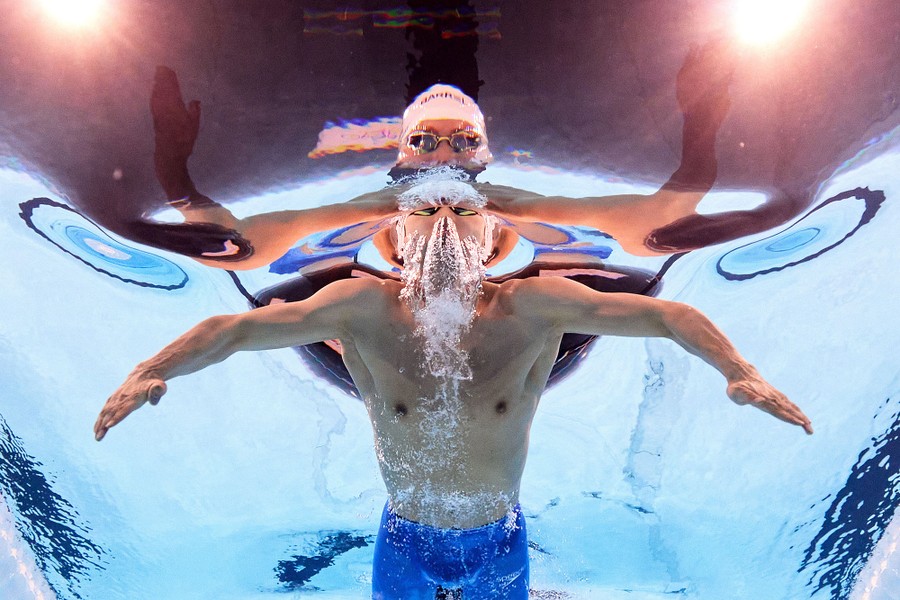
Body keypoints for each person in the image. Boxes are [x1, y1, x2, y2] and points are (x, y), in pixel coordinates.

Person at [95, 172, 813, 598]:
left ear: (488, 233)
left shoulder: (538, 305)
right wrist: (149, 370)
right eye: (427, 210)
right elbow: (237, 329)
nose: (445, 221)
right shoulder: (359, 306)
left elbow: (668, 315)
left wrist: (739, 373)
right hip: (401, 539)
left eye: (465, 211)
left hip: (499, 538)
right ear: (400, 231)